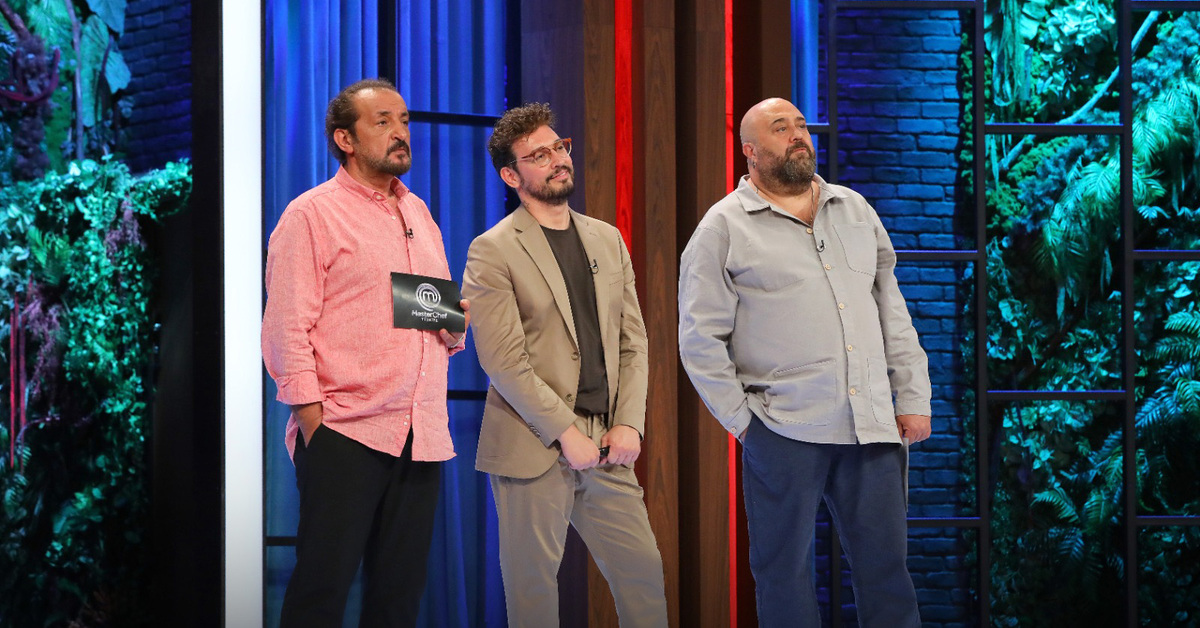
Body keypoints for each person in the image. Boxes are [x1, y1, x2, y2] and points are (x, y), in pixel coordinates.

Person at [678, 97, 932, 627]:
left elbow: (892, 311)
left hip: (872, 427)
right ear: (750, 150)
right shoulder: (723, 227)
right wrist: (745, 424)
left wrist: (912, 396)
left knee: (887, 573)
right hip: (782, 429)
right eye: (780, 128)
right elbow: (700, 340)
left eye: (800, 125)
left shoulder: (854, 209)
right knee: (783, 577)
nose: (798, 134)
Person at [262, 78, 470, 627]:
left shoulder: (418, 213)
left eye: (404, 120)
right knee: (320, 595)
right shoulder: (312, 215)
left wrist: (455, 322)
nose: (400, 132)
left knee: (398, 600)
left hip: (420, 433)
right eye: (383, 122)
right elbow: (285, 329)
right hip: (347, 431)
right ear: (345, 139)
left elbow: (429, 313)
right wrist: (315, 424)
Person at [462, 102, 668, 627]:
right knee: (533, 596)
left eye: (559, 147)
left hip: (608, 443)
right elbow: (503, 359)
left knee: (643, 576)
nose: (557, 159)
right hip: (532, 441)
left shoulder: (607, 237)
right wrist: (564, 431)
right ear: (511, 176)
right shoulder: (492, 250)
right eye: (538, 155)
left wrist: (630, 422)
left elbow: (633, 342)